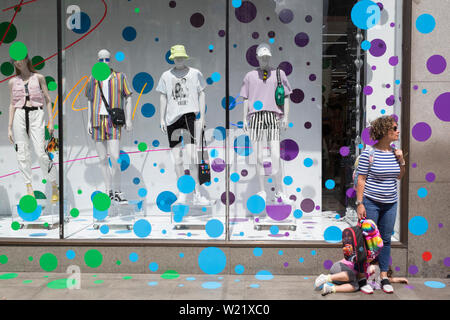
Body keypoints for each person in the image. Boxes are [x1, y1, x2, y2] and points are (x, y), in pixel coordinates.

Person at [355, 115, 406, 293]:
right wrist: (360, 203)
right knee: (369, 241)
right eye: (394, 128)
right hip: (371, 202)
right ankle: (365, 277)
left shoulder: (395, 153)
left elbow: (399, 176)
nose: (397, 131)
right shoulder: (368, 154)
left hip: (390, 203)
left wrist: (401, 160)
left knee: (385, 240)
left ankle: (383, 277)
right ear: (384, 132)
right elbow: (361, 180)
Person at [7, 55, 59, 202]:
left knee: (41, 151)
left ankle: (54, 184)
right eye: (15, 60)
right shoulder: (12, 82)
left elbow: (48, 99)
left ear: (26, 59)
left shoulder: (39, 77)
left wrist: (51, 121)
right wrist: (9, 127)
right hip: (19, 115)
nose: (18, 62)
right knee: (22, 152)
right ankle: (29, 187)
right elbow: (12, 104)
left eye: (20, 58)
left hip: (37, 113)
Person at [314, 219, 383, 296]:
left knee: (356, 286)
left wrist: (399, 279)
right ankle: (325, 277)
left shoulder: (368, 274)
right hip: (339, 268)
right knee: (351, 275)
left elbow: (386, 279)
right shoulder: (362, 258)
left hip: (344, 279)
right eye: (375, 267)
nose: (374, 271)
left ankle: (330, 288)